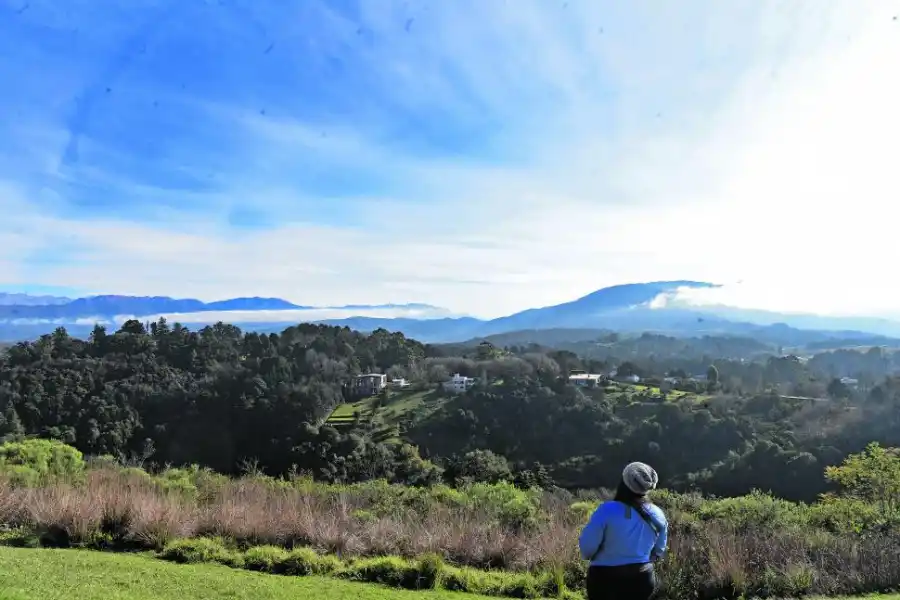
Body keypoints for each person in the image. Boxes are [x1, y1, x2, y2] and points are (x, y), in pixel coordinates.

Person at [578, 462, 669, 600]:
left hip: (605, 581)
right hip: (642, 579)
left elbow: (586, 549)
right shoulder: (658, 514)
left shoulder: (607, 510)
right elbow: (658, 551)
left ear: (624, 483)